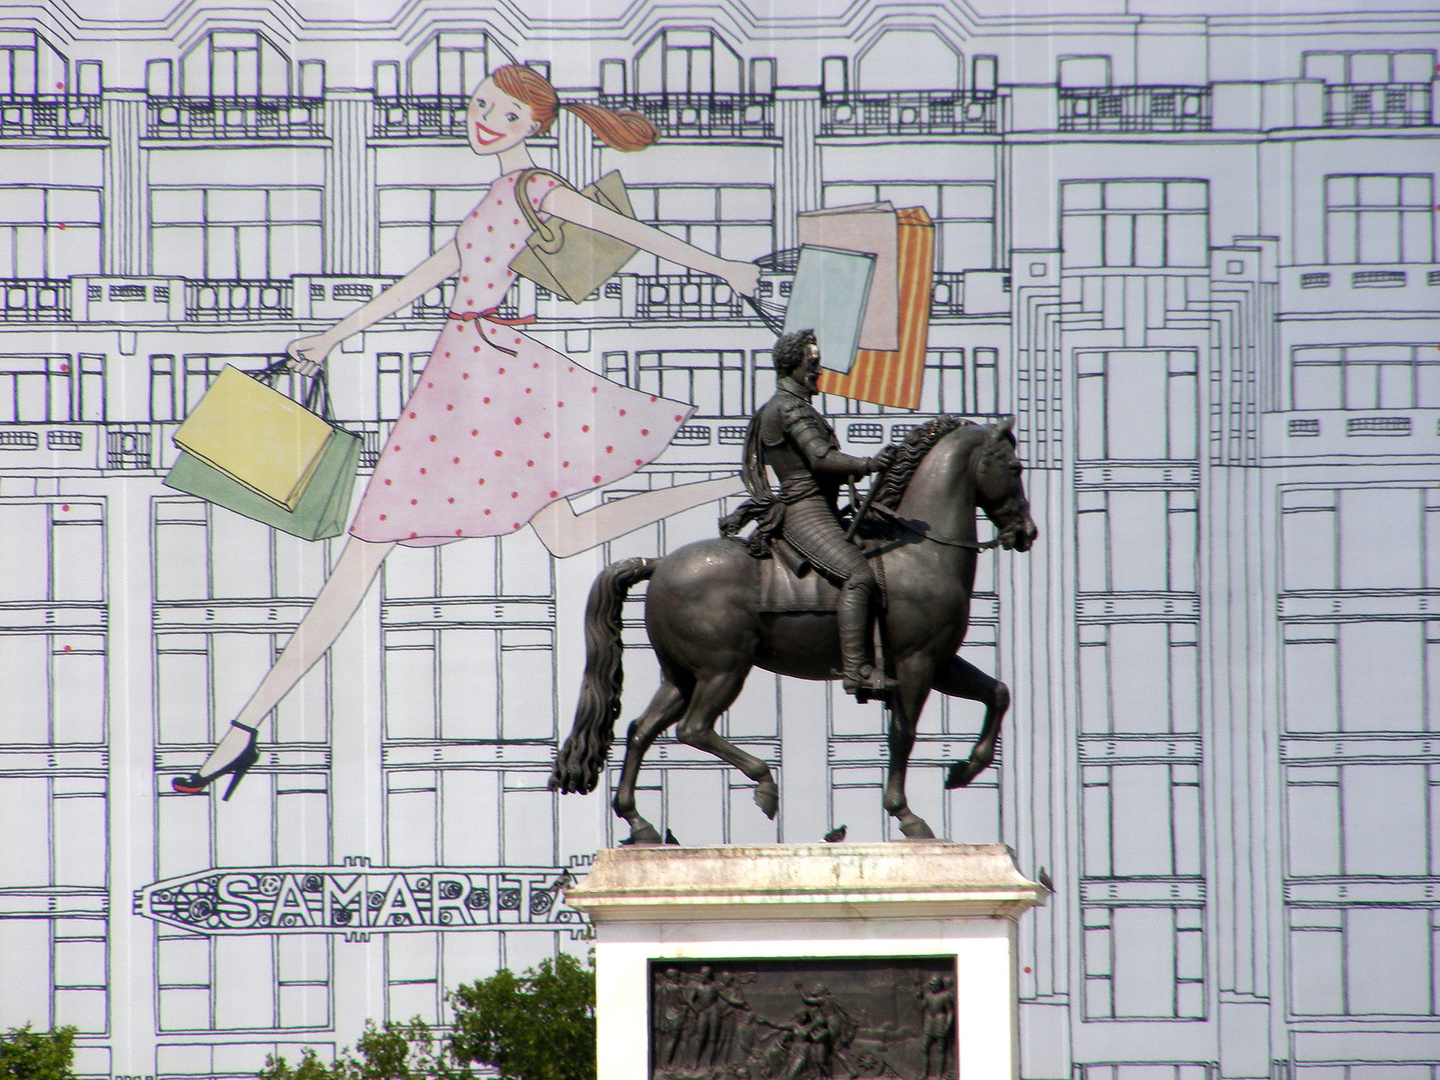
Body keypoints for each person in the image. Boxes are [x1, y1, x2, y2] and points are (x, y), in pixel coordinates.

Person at [173, 64, 759, 798]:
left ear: (534, 127)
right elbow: (420, 281)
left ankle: (243, 728)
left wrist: (723, 265)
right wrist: (332, 336)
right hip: (466, 379)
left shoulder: (534, 188)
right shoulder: (492, 199)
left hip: (481, 383)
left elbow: (626, 231)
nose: (484, 120)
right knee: (559, 536)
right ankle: (732, 481)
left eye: (503, 113)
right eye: (481, 105)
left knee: (367, 554)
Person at [723, 328, 898, 699]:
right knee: (859, 576)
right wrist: (869, 464)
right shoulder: (787, 408)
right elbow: (820, 458)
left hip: (823, 509)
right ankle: (857, 671)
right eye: (812, 364)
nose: (818, 371)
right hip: (806, 511)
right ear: (793, 366)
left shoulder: (797, 407)